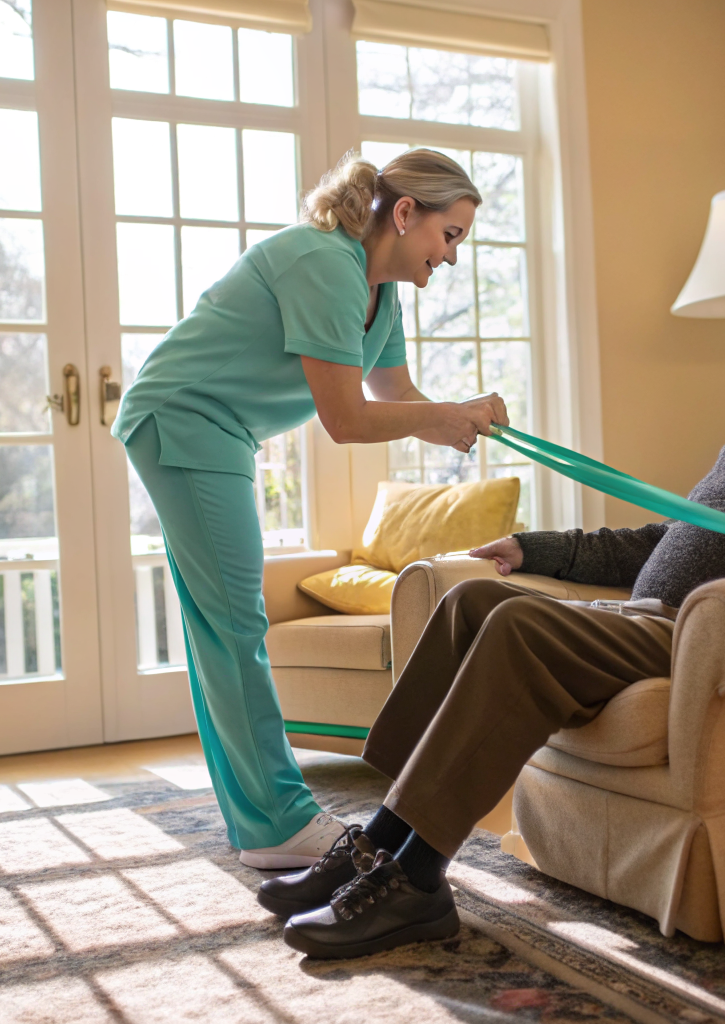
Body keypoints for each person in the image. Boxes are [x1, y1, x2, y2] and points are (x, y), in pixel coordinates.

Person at [260, 272, 725, 959]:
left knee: (518, 627)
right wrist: (530, 546)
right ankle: (377, 843)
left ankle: (414, 881)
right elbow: (661, 541)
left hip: (707, 634)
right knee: (471, 601)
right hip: (647, 618)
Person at [113, 150, 509, 869]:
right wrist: (444, 416)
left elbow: (397, 398)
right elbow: (347, 421)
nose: (449, 258)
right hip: (183, 417)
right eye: (448, 237)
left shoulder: (379, 292)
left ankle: (259, 823)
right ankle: (277, 822)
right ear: (405, 213)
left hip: (217, 429)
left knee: (220, 625)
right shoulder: (323, 262)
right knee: (234, 620)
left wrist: (465, 414)